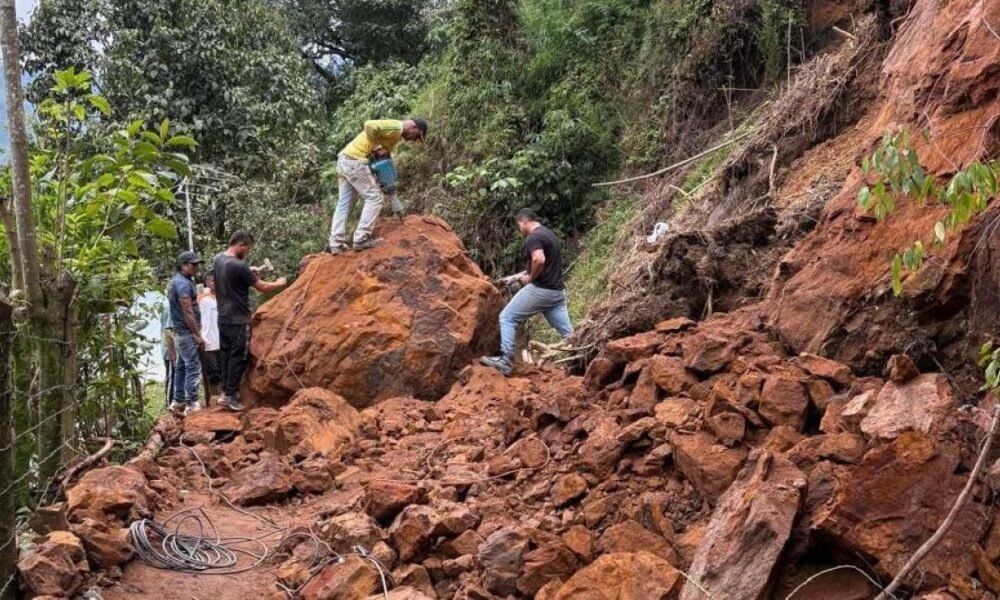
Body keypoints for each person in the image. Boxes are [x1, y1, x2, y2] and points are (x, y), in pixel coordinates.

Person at [481, 209, 573, 376]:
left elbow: (539, 259)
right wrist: (514, 278)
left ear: (523, 222)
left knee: (507, 317)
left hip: (541, 290)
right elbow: (542, 264)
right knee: (570, 335)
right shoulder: (549, 235)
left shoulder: (533, 237)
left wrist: (530, 278)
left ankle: (506, 360)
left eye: (518, 226)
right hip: (557, 293)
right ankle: (583, 357)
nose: (519, 229)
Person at [326, 118, 428, 254]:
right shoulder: (396, 127)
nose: (413, 140)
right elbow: (369, 125)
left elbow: (381, 160)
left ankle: (336, 243)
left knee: (345, 202)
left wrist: (384, 181)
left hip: (346, 159)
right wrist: (376, 147)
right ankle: (361, 239)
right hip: (355, 161)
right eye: (416, 136)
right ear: (413, 128)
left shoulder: (395, 137)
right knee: (375, 198)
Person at [214, 231, 288, 411]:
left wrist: (249, 270)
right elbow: (262, 287)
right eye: (247, 249)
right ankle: (231, 396)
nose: (247, 252)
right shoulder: (239, 266)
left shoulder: (219, 260)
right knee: (239, 356)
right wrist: (280, 282)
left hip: (223, 317)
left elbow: (234, 275)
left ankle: (225, 391)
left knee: (225, 354)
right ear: (241, 245)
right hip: (239, 319)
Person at [167, 251, 204, 414]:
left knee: (182, 366)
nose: (196, 267)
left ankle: (178, 400)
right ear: (183, 265)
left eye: (197, 264)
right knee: (193, 366)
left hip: (181, 332)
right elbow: (188, 311)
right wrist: (197, 334)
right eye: (193, 264)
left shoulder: (182, 281)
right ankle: (191, 402)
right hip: (186, 332)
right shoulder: (182, 284)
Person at [199, 271, 222, 405]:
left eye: (216, 280)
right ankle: (213, 397)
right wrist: (200, 337)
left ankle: (223, 396)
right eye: (212, 280)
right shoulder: (203, 300)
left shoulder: (223, 298)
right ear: (207, 282)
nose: (215, 283)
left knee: (223, 369)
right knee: (212, 372)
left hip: (222, 340)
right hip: (208, 341)